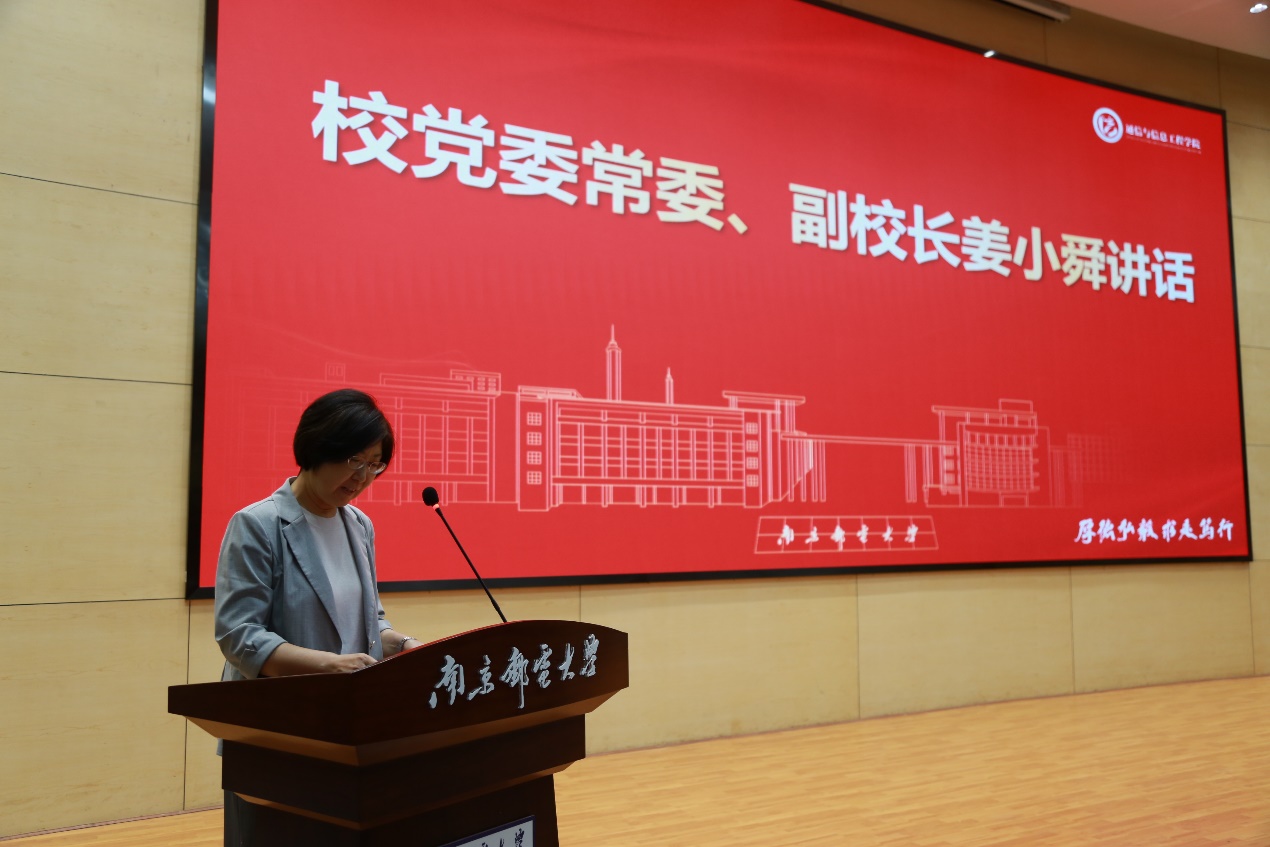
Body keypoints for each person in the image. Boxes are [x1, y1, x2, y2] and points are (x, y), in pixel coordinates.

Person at [213, 388, 419, 846]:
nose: (362, 477)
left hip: (346, 731)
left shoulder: (359, 526)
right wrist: (330, 666)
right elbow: (239, 635)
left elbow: (369, 623)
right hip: (277, 733)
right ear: (316, 448)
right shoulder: (258, 524)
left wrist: (404, 646)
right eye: (354, 460)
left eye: (375, 464)